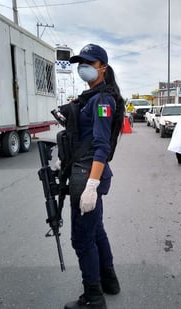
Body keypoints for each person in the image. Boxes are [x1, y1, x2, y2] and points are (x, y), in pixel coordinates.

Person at [65, 43, 124, 309]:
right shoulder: (91, 97)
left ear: (103, 67)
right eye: (80, 62)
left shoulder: (103, 101)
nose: (82, 67)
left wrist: (91, 185)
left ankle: (93, 297)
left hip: (88, 174)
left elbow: (102, 146)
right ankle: (109, 282)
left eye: (88, 63)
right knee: (96, 231)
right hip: (84, 170)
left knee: (82, 238)